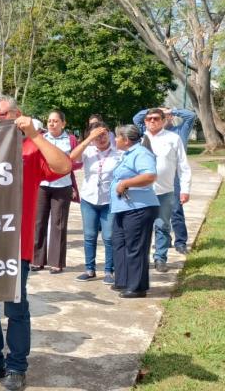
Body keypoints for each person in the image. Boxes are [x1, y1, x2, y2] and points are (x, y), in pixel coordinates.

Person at [0, 96, 71, 391]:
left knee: (15, 308)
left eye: (1, 114)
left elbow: (63, 167)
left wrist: (35, 133)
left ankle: (17, 367)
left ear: (16, 115)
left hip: (14, 244)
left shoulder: (32, 147)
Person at [134, 107, 195, 255]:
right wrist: (155, 109)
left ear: (164, 119)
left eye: (157, 118)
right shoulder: (141, 137)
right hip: (143, 188)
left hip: (168, 183)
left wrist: (171, 111)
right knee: (142, 225)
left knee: (168, 218)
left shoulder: (177, 134)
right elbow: (137, 118)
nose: (153, 121)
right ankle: (142, 256)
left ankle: (167, 252)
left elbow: (191, 116)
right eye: (150, 119)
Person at [69, 120, 123, 283]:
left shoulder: (118, 152)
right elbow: (72, 157)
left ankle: (109, 271)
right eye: (97, 136)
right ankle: (89, 269)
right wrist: (87, 140)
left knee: (108, 236)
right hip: (89, 199)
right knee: (90, 236)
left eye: (104, 134)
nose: (101, 138)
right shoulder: (88, 151)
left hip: (110, 200)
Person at [110, 125, 159, 298]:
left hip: (139, 207)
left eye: (117, 137)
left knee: (135, 247)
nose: (114, 140)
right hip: (123, 207)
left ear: (126, 139)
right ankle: (123, 280)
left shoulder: (141, 153)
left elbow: (150, 175)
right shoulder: (128, 154)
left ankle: (137, 287)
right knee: (119, 243)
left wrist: (125, 183)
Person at [32, 110, 77, 274]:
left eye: (56, 121)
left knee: (58, 224)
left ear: (63, 123)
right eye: (49, 121)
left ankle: (56, 262)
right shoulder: (41, 138)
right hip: (42, 184)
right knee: (38, 222)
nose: (52, 124)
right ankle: (37, 259)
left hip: (62, 185)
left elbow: (75, 161)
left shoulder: (70, 140)